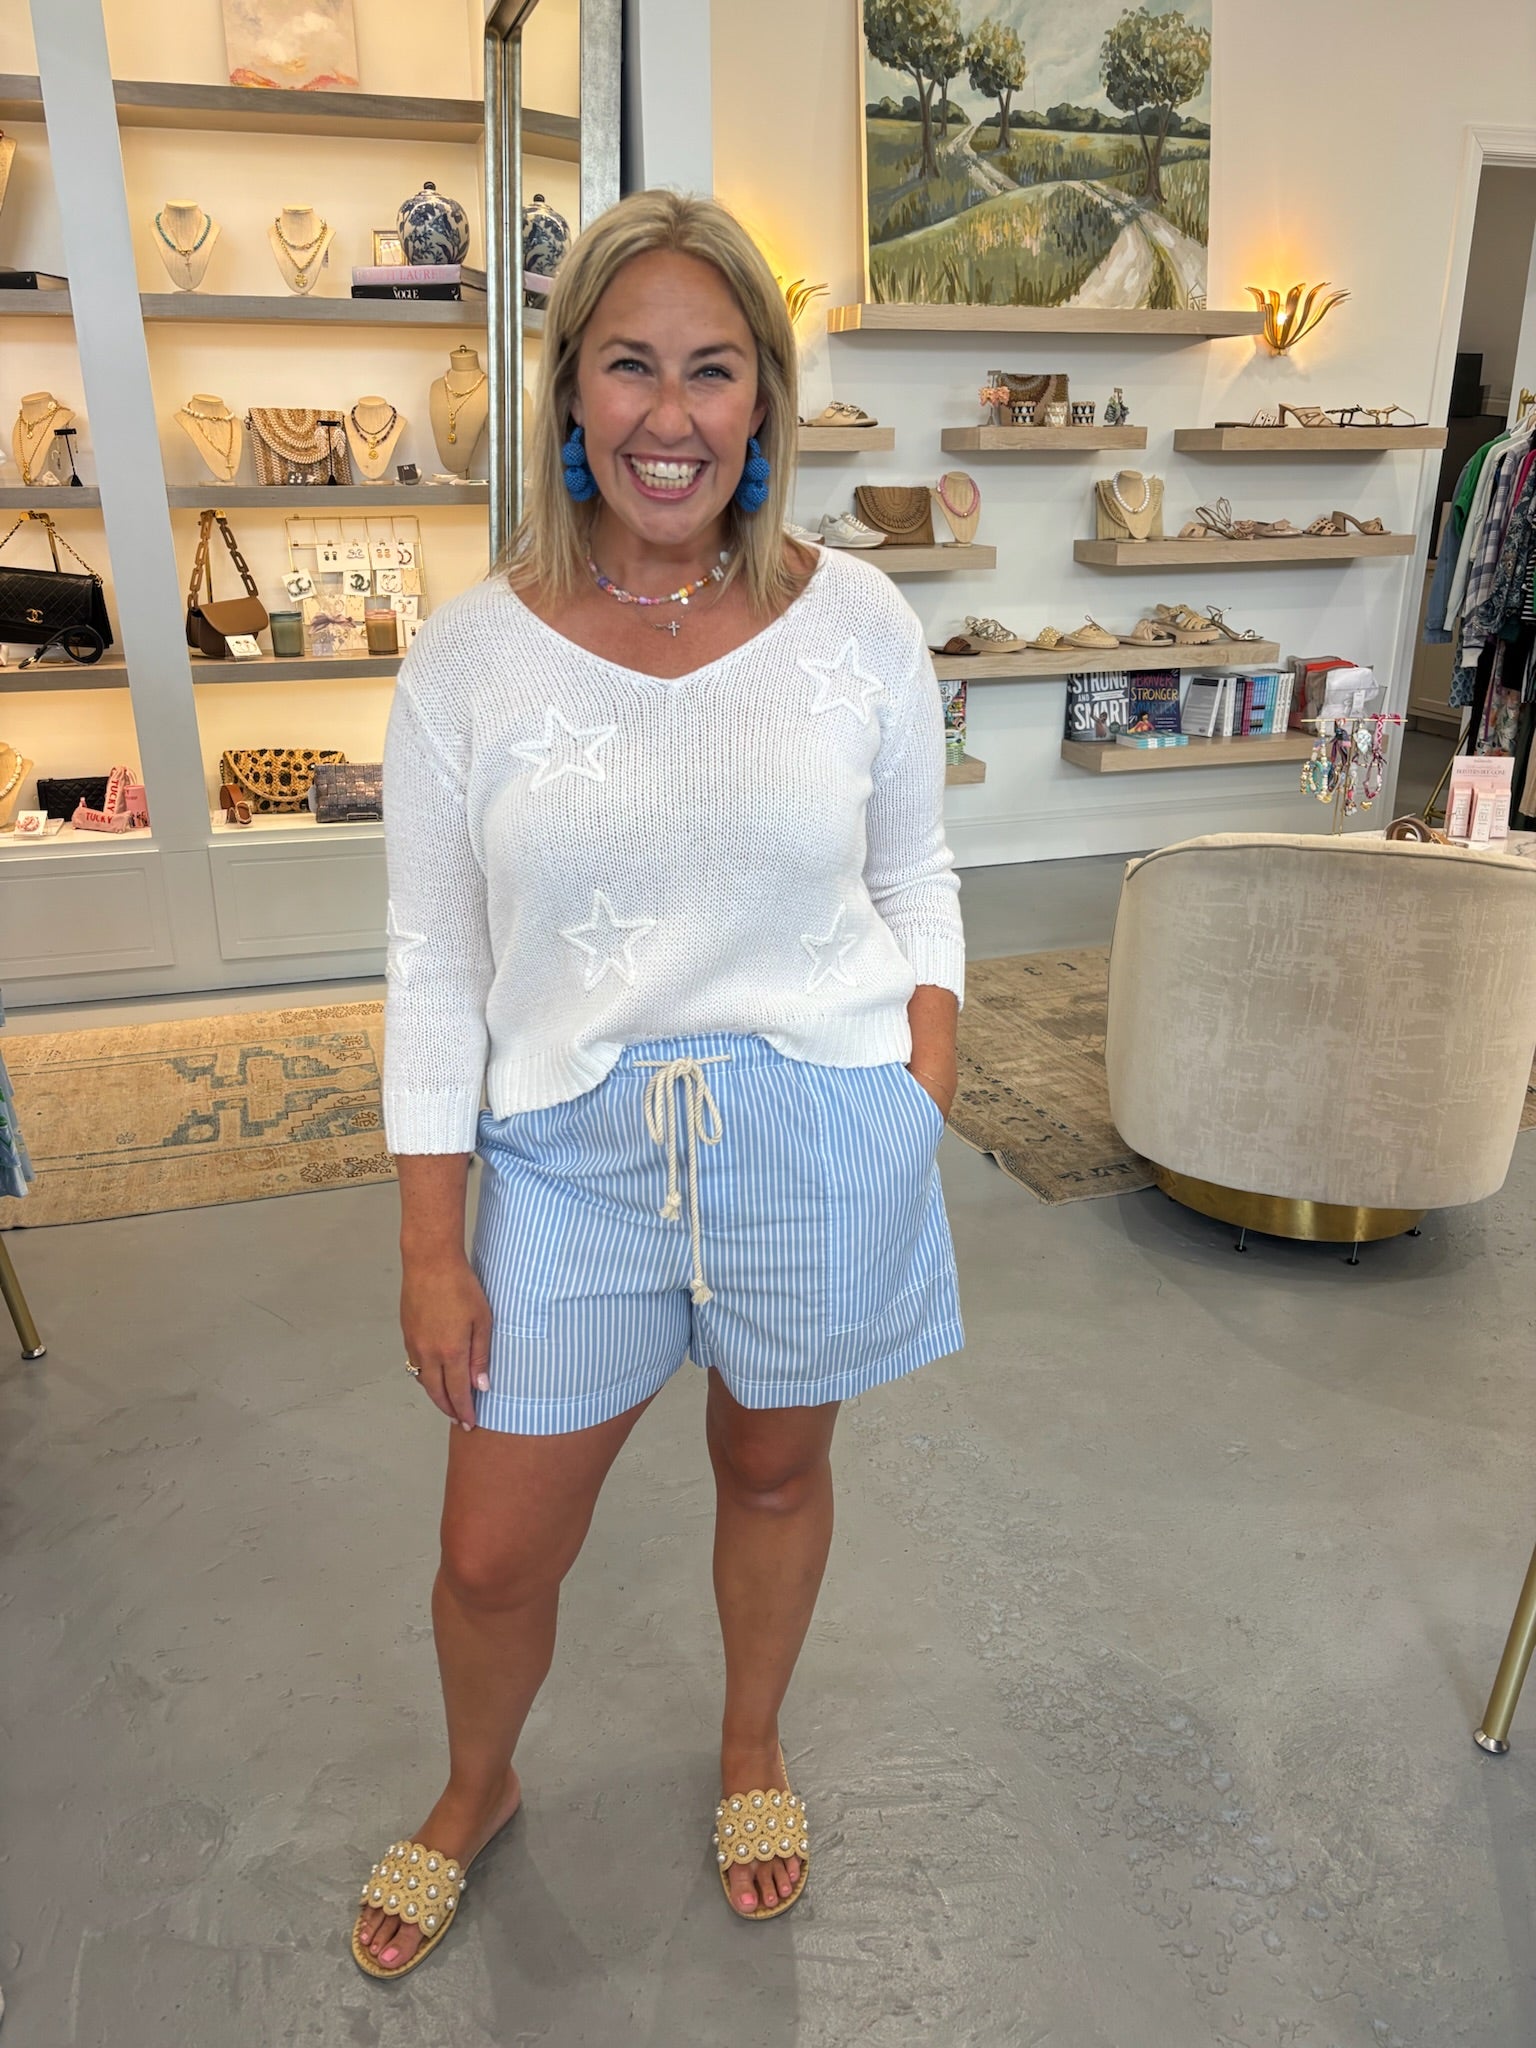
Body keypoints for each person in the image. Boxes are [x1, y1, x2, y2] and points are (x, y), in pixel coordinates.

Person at [352, 188, 965, 1978]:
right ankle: (477, 1786)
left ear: (764, 394)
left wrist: (917, 1087)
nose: (670, 416)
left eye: (712, 368)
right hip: (570, 1157)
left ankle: (751, 1744)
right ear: (569, 390)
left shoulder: (858, 623)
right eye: (630, 365)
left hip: (813, 1125)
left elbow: (918, 874)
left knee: (773, 1473)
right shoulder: (471, 658)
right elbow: (435, 965)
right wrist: (430, 1244)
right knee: (491, 1556)